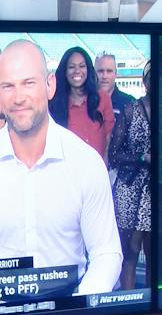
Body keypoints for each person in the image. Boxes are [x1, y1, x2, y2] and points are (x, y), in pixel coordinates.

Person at [0, 40, 122, 294]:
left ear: (50, 85)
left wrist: (79, 304)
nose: (19, 98)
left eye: (28, 83)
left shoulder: (86, 163)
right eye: (8, 86)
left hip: (71, 303)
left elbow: (106, 252)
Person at [108, 62, 152, 290]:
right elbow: (113, 155)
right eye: (151, 77)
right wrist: (142, 157)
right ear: (144, 82)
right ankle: (129, 300)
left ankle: (154, 305)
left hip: (155, 192)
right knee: (130, 253)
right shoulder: (130, 110)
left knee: (155, 254)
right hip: (129, 189)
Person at [48, 46, 109, 158]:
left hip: (98, 166)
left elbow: (109, 138)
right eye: (71, 67)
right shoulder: (54, 104)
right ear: (65, 72)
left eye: (82, 66)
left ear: (88, 69)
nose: (77, 71)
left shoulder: (102, 98)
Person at [94, 51, 132, 136]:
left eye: (109, 71)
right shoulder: (84, 102)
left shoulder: (130, 103)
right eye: (100, 71)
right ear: (93, 73)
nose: (104, 76)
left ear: (116, 74)